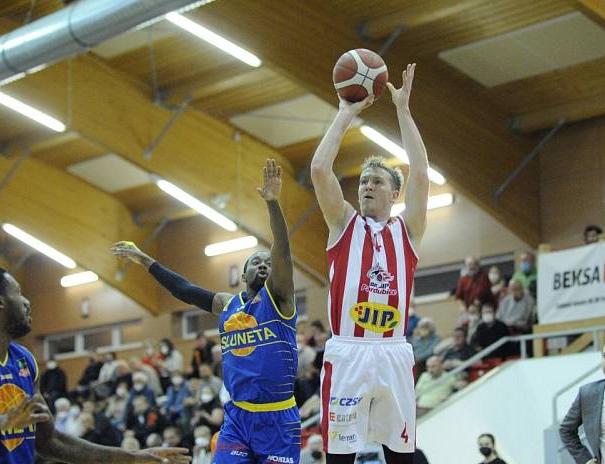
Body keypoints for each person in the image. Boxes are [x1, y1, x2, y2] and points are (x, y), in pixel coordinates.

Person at [113, 159, 300, 463]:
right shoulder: (228, 304)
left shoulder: (279, 299)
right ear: (243, 275)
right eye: (256, 261)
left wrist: (273, 204)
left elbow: (284, 251)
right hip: (238, 418)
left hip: (278, 418)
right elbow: (183, 289)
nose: (264, 264)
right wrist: (145, 259)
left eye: (267, 261)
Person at [0, 265, 189, 463]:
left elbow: (50, 442)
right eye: (17, 292)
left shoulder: (25, 360)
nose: (26, 301)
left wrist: (130, 458)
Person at [311, 63, 427, 464]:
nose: (367, 187)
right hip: (349, 353)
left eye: (377, 181)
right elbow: (319, 170)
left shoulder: (407, 231)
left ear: (394, 193)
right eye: (363, 181)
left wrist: (403, 110)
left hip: (393, 352)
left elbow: (422, 174)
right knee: (340, 459)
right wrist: (346, 112)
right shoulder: (344, 223)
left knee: (400, 457)